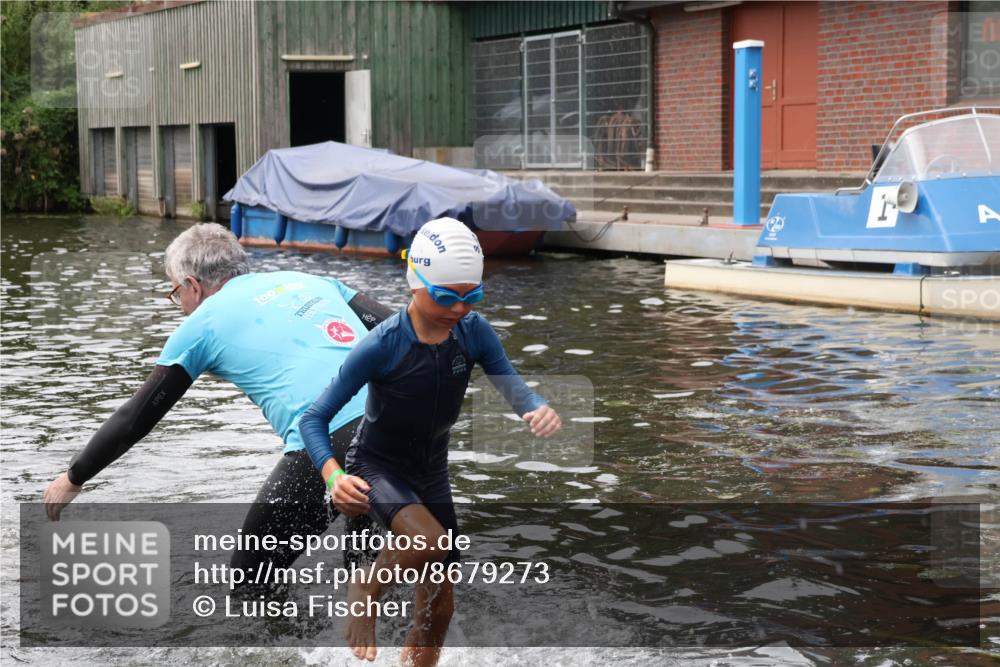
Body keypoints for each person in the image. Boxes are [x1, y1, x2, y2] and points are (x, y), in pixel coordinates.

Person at [42, 222, 391, 577]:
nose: (181, 306)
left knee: (253, 578)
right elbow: (400, 328)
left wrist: (74, 476)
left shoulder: (201, 325)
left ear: (193, 284)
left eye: (177, 294)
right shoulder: (309, 280)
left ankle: (310, 632)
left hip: (328, 441)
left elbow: (135, 418)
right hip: (400, 420)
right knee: (367, 572)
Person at [299, 217, 562, 666]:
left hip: (431, 472)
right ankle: (365, 586)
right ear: (415, 283)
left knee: (439, 606)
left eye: (471, 295)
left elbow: (512, 384)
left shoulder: (473, 331)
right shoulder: (382, 345)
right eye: (446, 296)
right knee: (430, 542)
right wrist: (334, 475)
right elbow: (313, 418)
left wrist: (535, 407)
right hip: (377, 467)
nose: (460, 308)